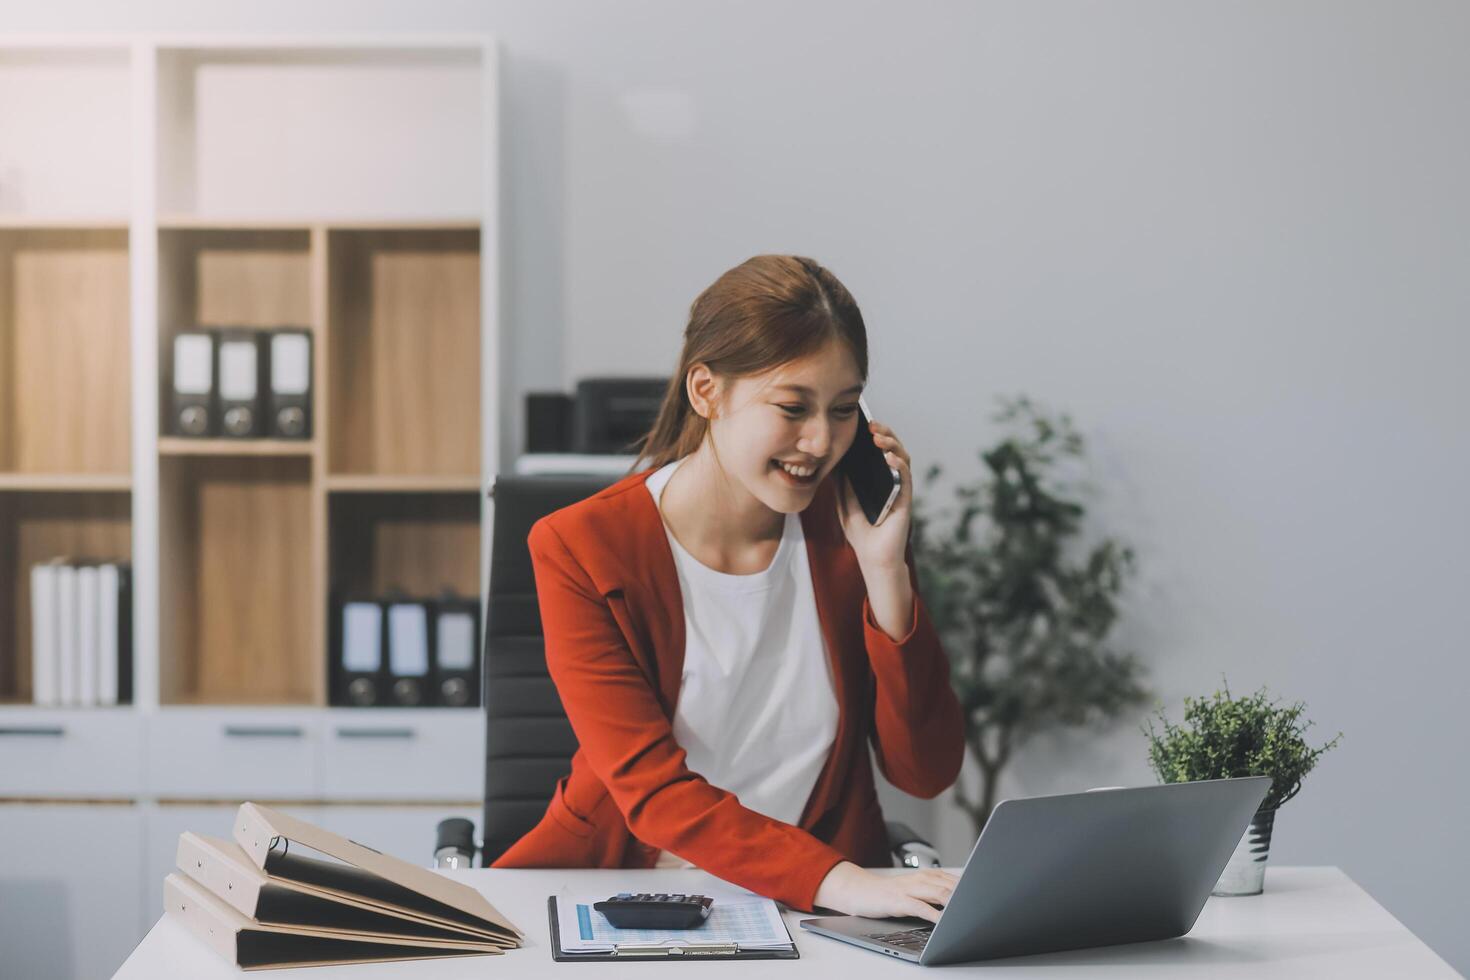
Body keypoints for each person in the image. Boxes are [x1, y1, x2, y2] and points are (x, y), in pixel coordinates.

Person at [493, 255, 964, 922]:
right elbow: (653, 792)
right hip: (617, 894)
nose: (821, 441)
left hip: (809, 917)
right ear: (706, 391)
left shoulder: (850, 532)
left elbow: (925, 771)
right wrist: (839, 880)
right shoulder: (582, 548)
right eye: (792, 406)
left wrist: (886, 571)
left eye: (844, 410)